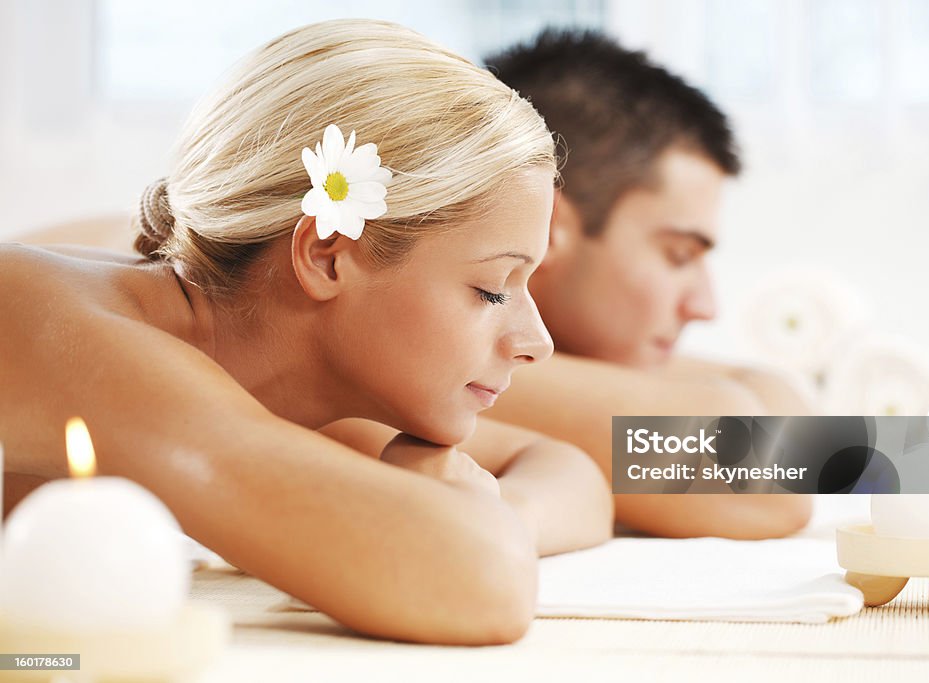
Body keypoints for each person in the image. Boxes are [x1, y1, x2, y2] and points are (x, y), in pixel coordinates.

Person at [0, 20, 613, 646]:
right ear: (326, 256)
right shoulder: (82, 341)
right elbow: (483, 583)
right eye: (492, 290)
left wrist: (490, 507)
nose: (538, 340)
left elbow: (572, 472)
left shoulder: (278, 374)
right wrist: (460, 520)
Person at [472, 30, 813, 539]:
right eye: (678, 256)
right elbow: (762, 478)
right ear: (545, 223)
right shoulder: (419, 365)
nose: (705, 306)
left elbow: (785, 419)